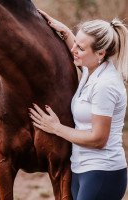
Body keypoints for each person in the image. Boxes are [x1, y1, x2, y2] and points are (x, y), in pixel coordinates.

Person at [29, 9, 128, 200]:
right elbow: (81, 57)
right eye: (75, 43)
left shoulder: (105, 85)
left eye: (80, 48)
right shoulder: (92, 71)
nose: (73, 50)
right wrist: (65, 32)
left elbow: (98, 139)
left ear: (100, 53)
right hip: (82, 170)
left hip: (102, 173)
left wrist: (55, 127)